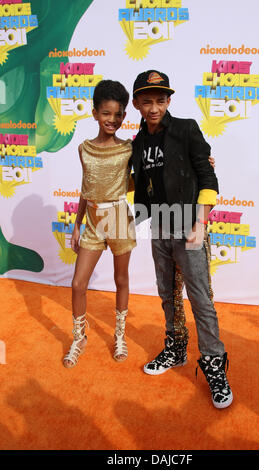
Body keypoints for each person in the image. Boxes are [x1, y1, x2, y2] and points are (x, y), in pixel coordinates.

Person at [131, 70, 233, 409]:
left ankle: (214, 364)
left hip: (189, 225)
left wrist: (201, 222)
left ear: (169, 101)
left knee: (200, 298)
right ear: (136, 104)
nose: (154, 107)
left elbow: (208, 175)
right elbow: (140, 180)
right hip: (159, 226)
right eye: (147, 101)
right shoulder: (138, 141)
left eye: (160, 100)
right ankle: (176, 349)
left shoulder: (187, 128)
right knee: (167, 294)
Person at [63, 80, 136, 368]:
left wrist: (200, 164)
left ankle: (120, 335)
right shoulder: (84, 149)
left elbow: (151, 173)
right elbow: (86, 186)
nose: (112, 120)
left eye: (118, 114)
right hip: (92, 221)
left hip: (118, 218)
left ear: (124, 116)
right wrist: (77, 223)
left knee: (121, 280)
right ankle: (79, 336)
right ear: (94, 113)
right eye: (106, 113)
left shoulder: (129, 149)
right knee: (78, 283)